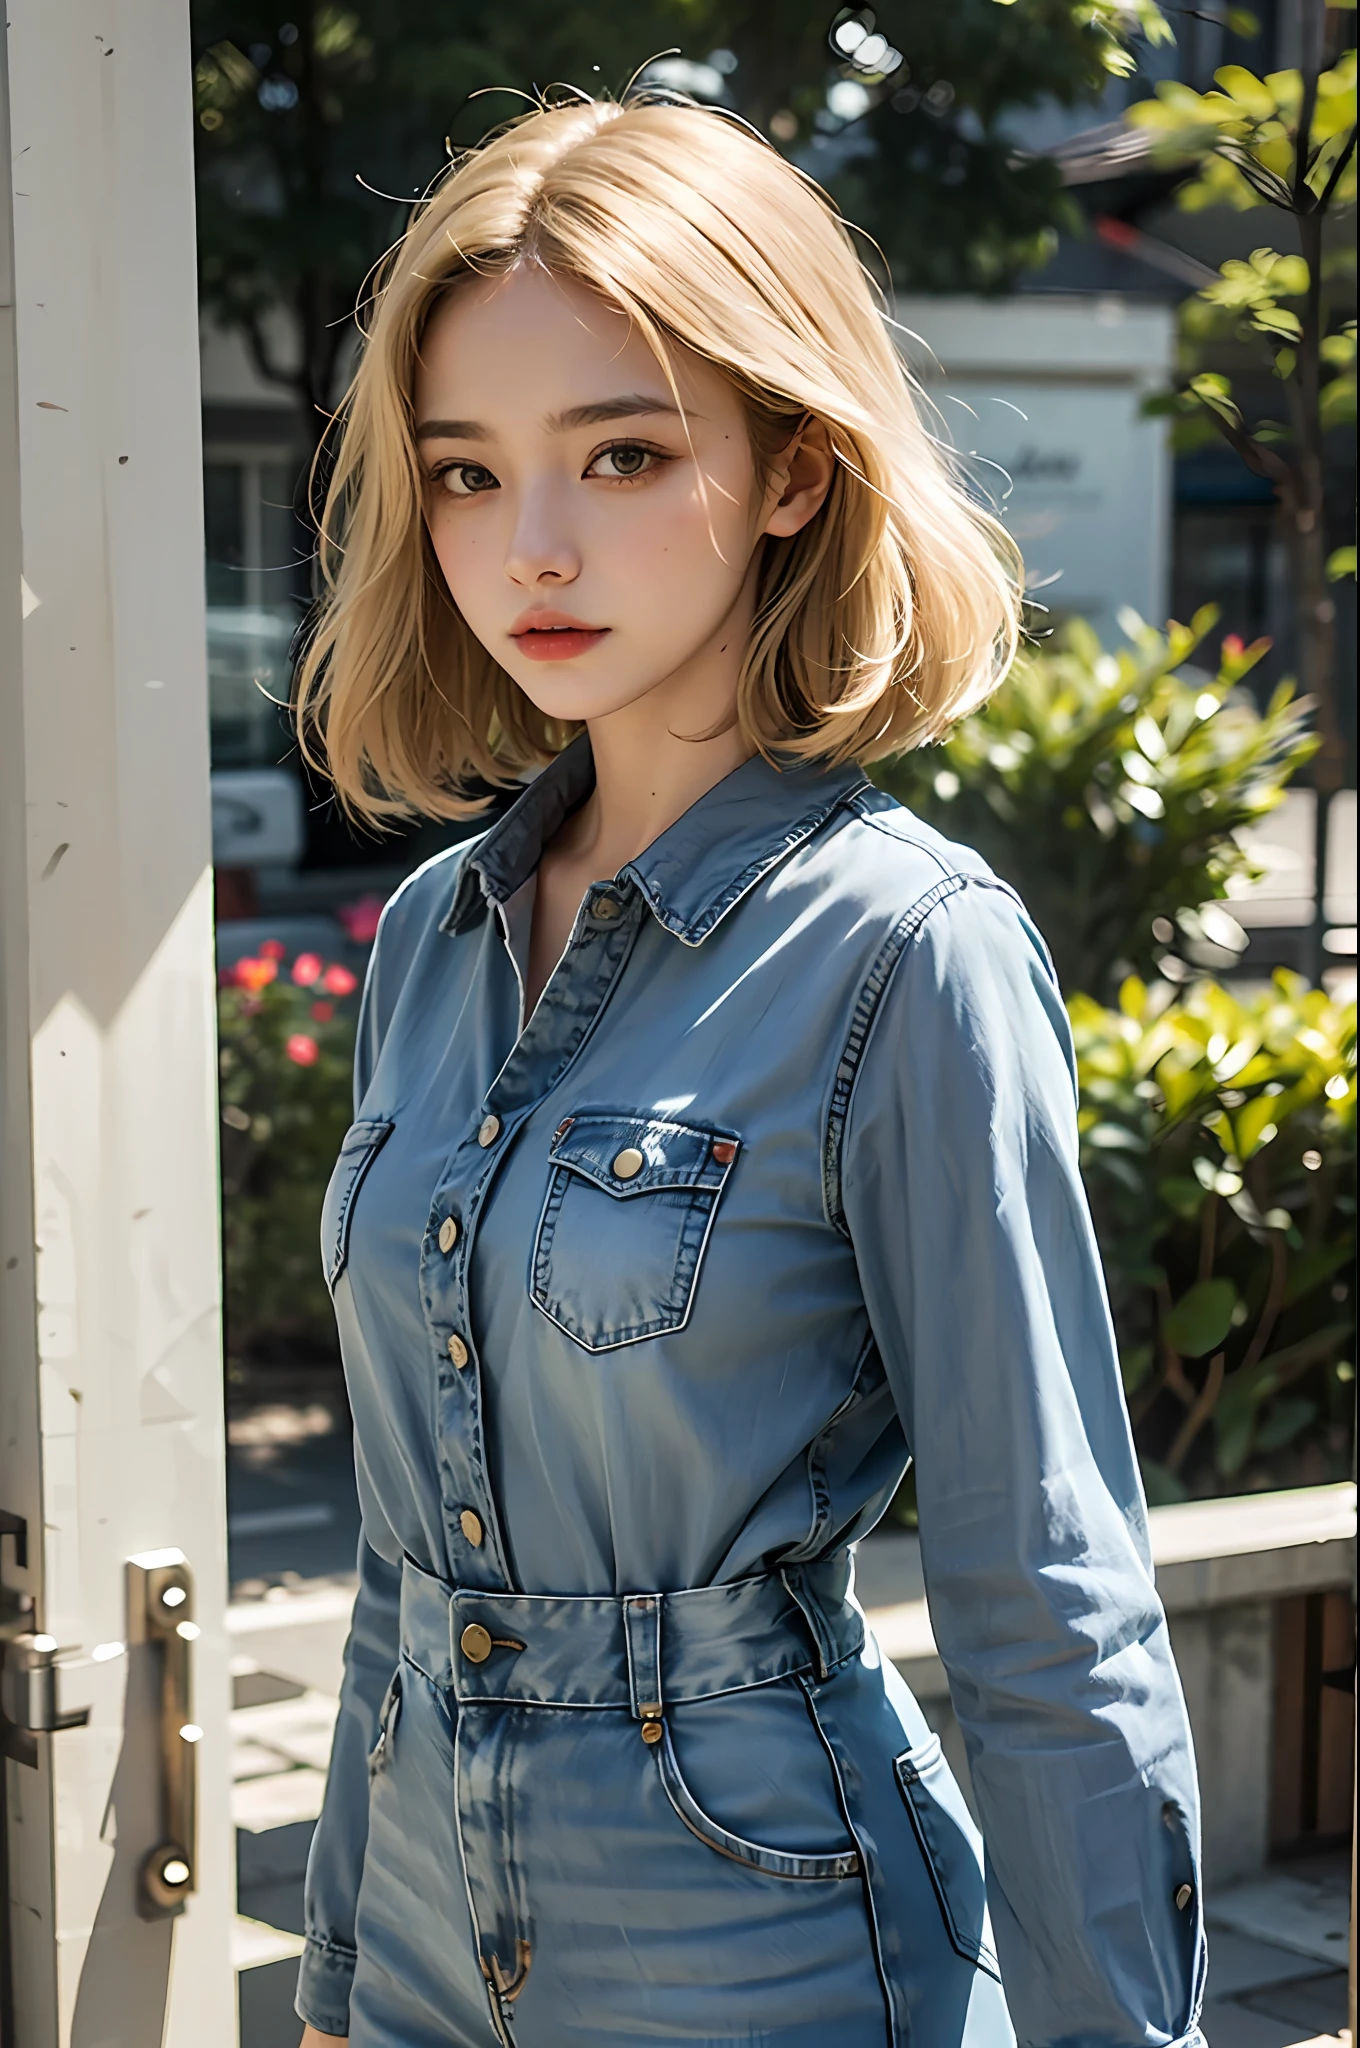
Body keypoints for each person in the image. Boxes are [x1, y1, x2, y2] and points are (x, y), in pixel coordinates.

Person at [292, 91, 1206, 2048]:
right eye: (465, 472)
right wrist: (339, 1978)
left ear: (792, 470)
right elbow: (403, 1555)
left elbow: (1043, 1587)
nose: (528, 545)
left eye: (620, 454)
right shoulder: (435, 938)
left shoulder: (904, 954)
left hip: (768, 1950)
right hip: (424, 1960)